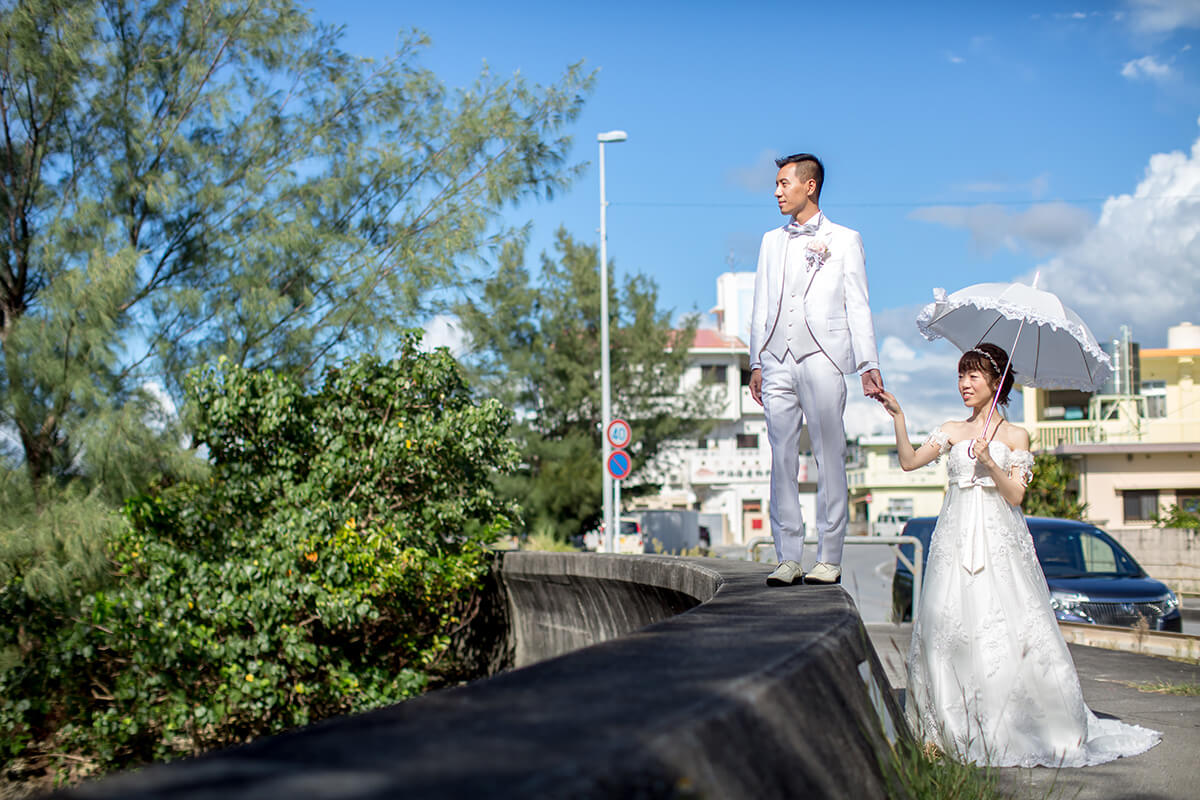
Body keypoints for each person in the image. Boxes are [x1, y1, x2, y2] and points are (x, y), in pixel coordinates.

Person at [876, 343, 1160, 767]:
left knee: (1005, 629)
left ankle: (1008, 725)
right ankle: (943, 730)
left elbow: (1016, 495)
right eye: (960, 376)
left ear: (996, 382)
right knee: (946, 628)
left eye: (973, 376)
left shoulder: (1016, 436)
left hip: (998, 543)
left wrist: (990, 463)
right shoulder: (952, 429)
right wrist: (899, 417)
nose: (964, 384)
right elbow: (909, 462)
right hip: (953, 543)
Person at [748, 153, 883, 587]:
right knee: (781, 458)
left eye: (784, 183)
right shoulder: (771, 241)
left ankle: (828, 556)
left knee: (829, 455)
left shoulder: (844, 239)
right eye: (776, 184)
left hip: (824, 354)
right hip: (776, 358)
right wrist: (756, 359)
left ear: (809, 186)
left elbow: (858, 304)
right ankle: (788, 555)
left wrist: (868, 362)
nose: (776, 192)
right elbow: (760, 303)